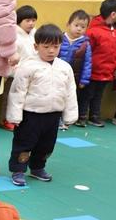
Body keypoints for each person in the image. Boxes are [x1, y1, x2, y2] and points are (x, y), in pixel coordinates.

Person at [6, 24, 79, 186]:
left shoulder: (64, 68)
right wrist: (15, 115)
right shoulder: (28, 66)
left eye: (55, 46)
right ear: (36, 46)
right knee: (24, 143)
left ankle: (38, 167)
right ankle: (18, 169)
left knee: (46, 145)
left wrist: (70, 115)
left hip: (53, 115)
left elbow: (70, 92)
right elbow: (18, 92)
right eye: (46, 46)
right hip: (30, 115)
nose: (51, 51)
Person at [83, 0, 116, 127]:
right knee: (86, 95)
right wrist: (86, 69)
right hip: (91, 72)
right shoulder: (93, 31)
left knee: (98, 95)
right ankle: (81, 116)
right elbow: (86, 51)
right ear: (113, 14)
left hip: (108, 72)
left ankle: (94, 116)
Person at [59, 10, 93, 127]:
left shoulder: (85, 44)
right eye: (76, 25)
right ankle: (57, 120)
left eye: (83, 27)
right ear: (68, 25)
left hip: (75, 77)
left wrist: (84, 80)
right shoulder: (60, 39)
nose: (79, 29)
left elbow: (88, 63)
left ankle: (66, 120)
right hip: (58, 75)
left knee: (70, 98)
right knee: (57, 97)